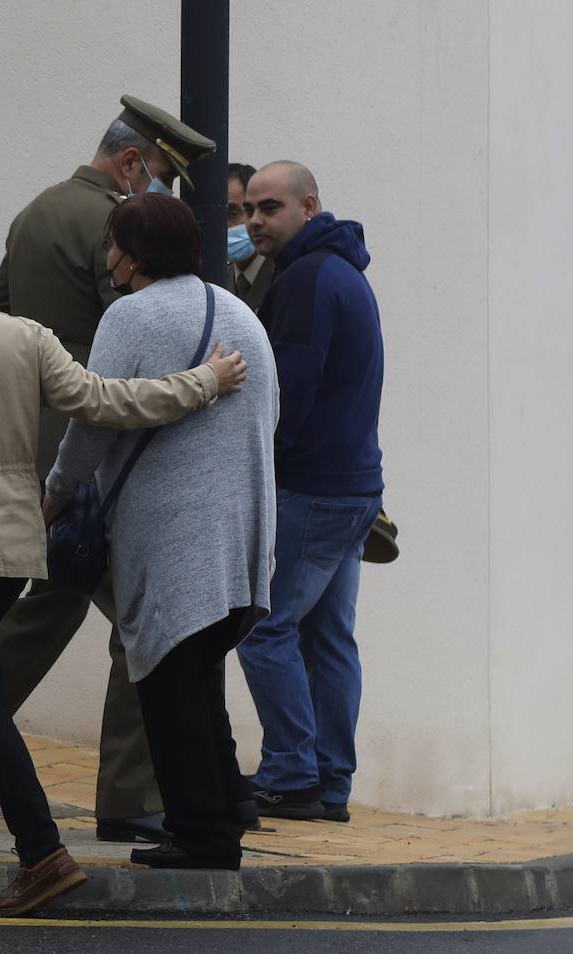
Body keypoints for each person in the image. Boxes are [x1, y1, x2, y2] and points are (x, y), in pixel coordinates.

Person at [0, 215, 248, 915]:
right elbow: (107, 404)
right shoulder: (28, 338)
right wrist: (202, 382)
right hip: (14, 543)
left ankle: (41, 853)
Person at [0, 96, 217, 845]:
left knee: (46, 609)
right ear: (132, 163)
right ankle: (130, 793)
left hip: (39, 452)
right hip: (90, 455)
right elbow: (133, 330)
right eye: (162, 176)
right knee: (141, 617)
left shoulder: (36, 212)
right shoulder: (114, 224)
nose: (160, 195)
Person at [44, 193, 278, 871]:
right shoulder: (241, 315)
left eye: (115, 242)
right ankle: (224, 811)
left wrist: (57, 495)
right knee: (200, 676)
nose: (108, 255)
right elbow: (272, 417)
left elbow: (92, 418)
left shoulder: (132, 315)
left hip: (174, 533)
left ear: (136, 253)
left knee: (171, 689)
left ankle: (202, 835)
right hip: (241, 533)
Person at [234, 161, 385, 824]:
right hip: (354, 489)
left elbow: (287, 398)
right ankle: (329, 782)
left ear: (309, 205)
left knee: (263, 627)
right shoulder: (344, 272)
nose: (256, 222)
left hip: (313, 488)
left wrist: (259, 468)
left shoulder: (305, 280)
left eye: (270, 208)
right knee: (327, 637)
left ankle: (291, 774)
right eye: (250, 211)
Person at [226, 162, 273, 311]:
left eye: (232, 214)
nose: (224, 225)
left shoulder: (284, 276)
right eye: (217, 215)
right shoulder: (214, 281)